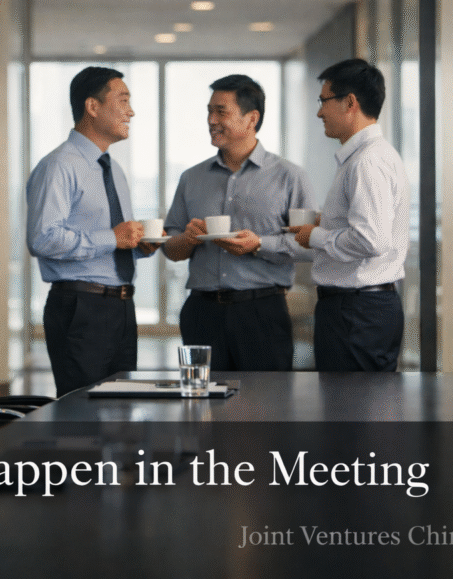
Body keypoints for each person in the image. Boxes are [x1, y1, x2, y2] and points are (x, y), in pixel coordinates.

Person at [163, 74, 316, 371]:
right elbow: (171, 248)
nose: (211, 119)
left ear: (251, 118)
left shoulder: (290, 177)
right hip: (201, 312)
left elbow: (309, 246)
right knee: (202, 409)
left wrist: (258, 244)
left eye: (221, 111)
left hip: (261, 312)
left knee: (266, 408)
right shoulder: (191, 178)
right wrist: (186, 240)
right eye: (209, 111)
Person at [26, 66, 161, 397]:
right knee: (83, 418)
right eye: (123, 100)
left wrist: (136, 244)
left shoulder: (112, 167)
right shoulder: (60, 165)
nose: (131, 111)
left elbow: (114, 235)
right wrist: (112, 239)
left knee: (121, 412)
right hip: (81, 307)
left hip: (120, 307)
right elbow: (42, 238)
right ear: (92, 106)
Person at [289, 59, 409, 371]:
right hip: (359, 309)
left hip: (356, 311)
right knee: (355, 411)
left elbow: (371, 240)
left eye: (324, 101)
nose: (319, 112)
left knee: (353, 413)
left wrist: (313, 236)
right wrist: (325, 222)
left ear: (350, 103)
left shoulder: (366, 163)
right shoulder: (372, 156)